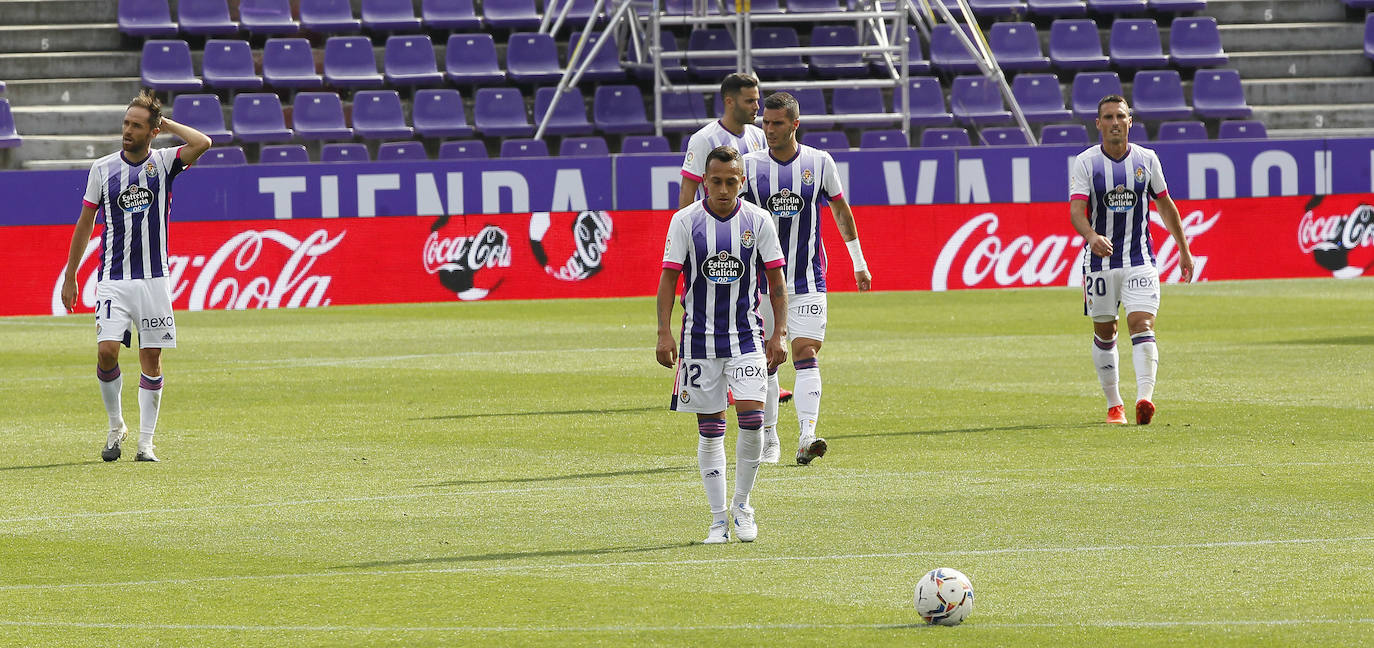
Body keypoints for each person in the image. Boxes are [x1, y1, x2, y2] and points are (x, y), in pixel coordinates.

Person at [60, 90, 212, 462]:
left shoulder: (164, 163)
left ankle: (146, 443)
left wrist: (165, 121)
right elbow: (85, 224)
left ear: (152, 131)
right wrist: (70, 274)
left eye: (136, 125)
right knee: (107, 351)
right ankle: (116, 427)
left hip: (154, 280)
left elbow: (203, 142)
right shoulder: (102, 168)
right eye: (126, 123)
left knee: (152, 358)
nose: (127, 130)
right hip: (112, 277)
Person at [657, 146, 789, 544]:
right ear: (705, 181)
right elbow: (668, 281)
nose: (724, 188)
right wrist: (664, 333)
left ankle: (743, 505)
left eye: (732, 181)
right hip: (697, 343)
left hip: (747, 339)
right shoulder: (685, 221)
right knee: (711, 430)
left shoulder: (758, 219)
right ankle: (717, 520)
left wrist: (779, 333)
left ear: (742, 182)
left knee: (751, 423)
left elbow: (777, 284)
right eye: (716, 181)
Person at [742, 92, 872, 465]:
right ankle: (769, 438)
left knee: (805, 352)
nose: (768, 129)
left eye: (777, 123)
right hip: (760, 284)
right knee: (768, 360)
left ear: (795, 124)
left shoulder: (819, 162)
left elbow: (840, 211)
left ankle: (806, 435)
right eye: (765, 122)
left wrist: (858, 262)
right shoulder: (749, 166)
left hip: (808, 280)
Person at [1069, 94, 1194, 425]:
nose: (1114, 123)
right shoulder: (1085, 163)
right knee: (1105, 332)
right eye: (1108, 117)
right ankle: (1114, 405)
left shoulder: (1147, 159)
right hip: (1099, 264)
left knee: (1142, 324)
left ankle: (1144, 399)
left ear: (1130, 122)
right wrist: (1092, 237)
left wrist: (1183, 247)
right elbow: (1076, 212)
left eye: (1120, 117)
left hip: (1140, 260)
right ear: (1098, 124)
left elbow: (1165, 204)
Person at [678, 73, 767, 210]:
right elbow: (687, 190)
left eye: (756, 100)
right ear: (729, 102)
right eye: (749, 101)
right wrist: (684, 230)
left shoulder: (760, 136)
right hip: (714, 225)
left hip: (751, 227)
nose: (756, 107)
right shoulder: (704, 138)